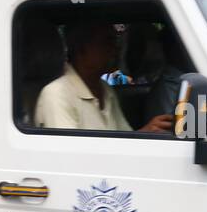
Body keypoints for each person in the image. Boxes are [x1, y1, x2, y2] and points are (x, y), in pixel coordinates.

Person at [35, 20, 174, 133]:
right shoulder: (57, 94)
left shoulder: (105, 89)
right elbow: (70, 160)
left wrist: (146, 133)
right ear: (81, 49)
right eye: (107, 42)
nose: (116, 49)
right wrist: (144, 133)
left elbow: (124, 139)